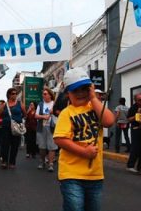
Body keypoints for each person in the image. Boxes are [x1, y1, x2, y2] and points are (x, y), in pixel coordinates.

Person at [53, 67, 115, 211]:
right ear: (68, 93)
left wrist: (93, 98)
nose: (81, 93)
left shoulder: (95, 107)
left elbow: (109, 121)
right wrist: (84, 152)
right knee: (75, 208)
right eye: (76, 90)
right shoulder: (66, 113)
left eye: (84, 89)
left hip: (95, 175)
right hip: (71, 174)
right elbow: (60, 139)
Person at [0, 87, 26, 169]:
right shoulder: (4, 104)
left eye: (15, 93)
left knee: (14, 145)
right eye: (13, 94)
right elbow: (1, 115)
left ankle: (12, 162)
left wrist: (19, 121)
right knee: (5, 144)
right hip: (6, 127)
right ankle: (4, 161)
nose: (15, 95)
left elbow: (25, 114)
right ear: (9, 95)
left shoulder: (20, 103)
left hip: (16, 127)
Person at [35, 88, 57, 172]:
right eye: (43, 94)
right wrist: (43, 116)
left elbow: (60, 113)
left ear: (50, 95)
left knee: (52, 146)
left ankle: (50, 164)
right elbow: (36, 116)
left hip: (52, 127)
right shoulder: (40, 104)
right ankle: (42, 161)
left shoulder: (54, 104)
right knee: (42, 147)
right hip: (41, 127)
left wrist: (53, 111)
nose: (43, 95)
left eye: (45, 94)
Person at [126, 93, 141, 173]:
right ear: (136, 101)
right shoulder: (133, 108)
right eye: (139, 100)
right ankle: (130, 165)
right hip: (135, 129)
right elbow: (129, 119)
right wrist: (136, 115)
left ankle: (140, 167)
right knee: (135, 147)